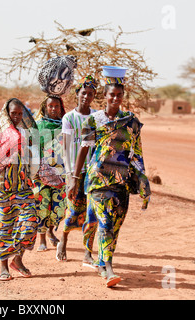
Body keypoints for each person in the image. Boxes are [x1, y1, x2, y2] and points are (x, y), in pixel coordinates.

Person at [68, 66, 151, 287]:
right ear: (104, 96)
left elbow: (137, 152)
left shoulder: (131, 121)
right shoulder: (93, 120)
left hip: (122, 180)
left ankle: (103, 263)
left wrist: (143, 179)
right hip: (98, 179)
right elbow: (84, 150)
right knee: (104, 222)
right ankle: (110, 268)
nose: (115, 98)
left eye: (119, 95)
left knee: (115, 225)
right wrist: (75, 180)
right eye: (111, 94)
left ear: (123, 97)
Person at [0, 98, 39, 281]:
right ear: (7, 114)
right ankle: (4, 267)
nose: (16, 116)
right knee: (4, 227)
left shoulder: (26, 132)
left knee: (30, 223)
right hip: (3, 187)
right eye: (13, 113)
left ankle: (18, 260)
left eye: (19, 113)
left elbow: (33, 156)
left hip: (23, 187)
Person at [56, 75, 99, 268]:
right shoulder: (69, 118)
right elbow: (65, 147)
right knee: (73, 209)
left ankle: (88, 253)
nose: (86, 97)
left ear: (94, 96)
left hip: (93, 172)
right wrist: (69, 174)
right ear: (77, 94)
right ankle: (63, 240)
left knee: (92, 212)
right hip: (74, 171)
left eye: (90, 94)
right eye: (83, 93)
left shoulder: (97, 116)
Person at [32, 95, 67, 252]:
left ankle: (51, 230)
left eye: (56, 106)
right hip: (40, 174)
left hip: (61, 175)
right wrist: (37, 170)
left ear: (61, 108)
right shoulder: (38, 126)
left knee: (58, 207)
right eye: (50, 106)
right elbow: (32, 149)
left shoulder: (66, 125)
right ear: (44, 108)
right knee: (42, 206)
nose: (53, 109)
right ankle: (42, 239)